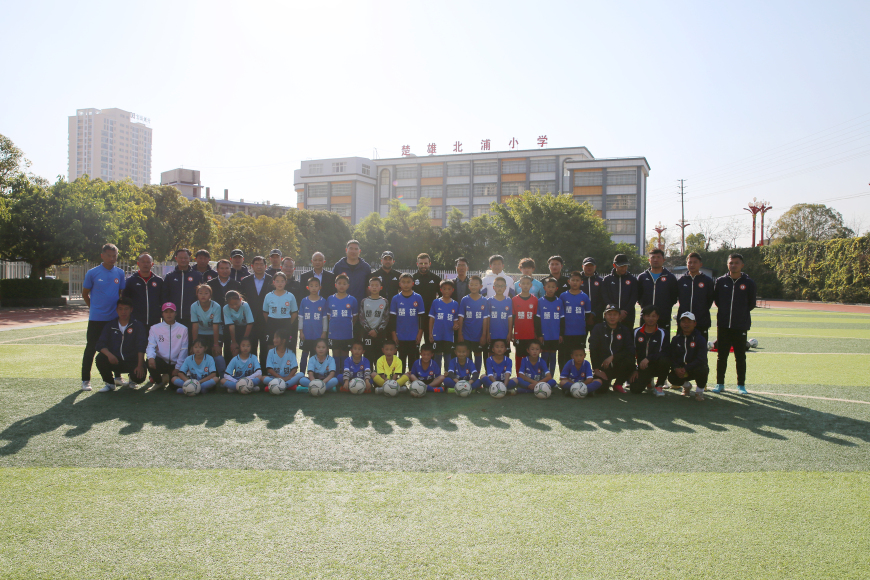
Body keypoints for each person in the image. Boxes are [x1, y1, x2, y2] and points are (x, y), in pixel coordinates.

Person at [81, 243, 126, 391]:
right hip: (96, 319)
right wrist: (93, 308)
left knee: (115, 347)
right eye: (109, 255)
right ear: (102, 256)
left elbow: (120, 294)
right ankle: (85, 380)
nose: (112, 258)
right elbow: (85, 293)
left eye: (114, 256)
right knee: (91, 348)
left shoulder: (119, 273)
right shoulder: (93, 273)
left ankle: (117, 377)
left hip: (113, 319)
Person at [712, 253, 756, 394]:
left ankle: (741, 385)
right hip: (723, 325)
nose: (733, 265)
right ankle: (720, 384)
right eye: (731, 263)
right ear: (727, 264)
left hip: (740, 325)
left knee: (740, 357)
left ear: (742, 265)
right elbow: (717, 301)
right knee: (721, 356)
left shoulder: (748, 282)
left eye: (736, 263)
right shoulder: (721, 281)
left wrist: (740, 315)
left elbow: (751, 303)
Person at [93, 297, 148, 392]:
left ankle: (132, 379)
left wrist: (140, 365)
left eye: (126, 309)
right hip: (115, 360)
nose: (123, 312)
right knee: (100, 358)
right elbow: (100, 344)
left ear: (131, 309)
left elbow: (141, 346)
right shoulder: (110, 325)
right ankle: (110, 383)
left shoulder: (137, 325)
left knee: (139, 378)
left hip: (132, 361)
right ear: (116, 310)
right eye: (120, 309)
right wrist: (109, 355)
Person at [588, 304, 635, 394]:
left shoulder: (624, 330)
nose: (612, 317)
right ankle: (606, 381)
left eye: (615, 314)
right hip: (604, 367)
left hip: (619, 365)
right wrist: (596, 370)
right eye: (609, 314)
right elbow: (593, 349)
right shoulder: (598, 328)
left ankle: (618, 384)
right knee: (601, 389)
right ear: (605, 315)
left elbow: (630, 350)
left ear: (619, 316)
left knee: (630, 361)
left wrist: (613, 357)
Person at [144, 302, 188, 391]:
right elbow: (151, 345)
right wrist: (151, 357)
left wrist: (177, 367)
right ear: (162, 314)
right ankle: (159, 382)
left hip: (175, 363)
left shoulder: (183, 329)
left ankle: (168, 377)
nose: (169, 314)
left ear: (175, 313)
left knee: (174, 388)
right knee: (149, 360)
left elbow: (184, 349)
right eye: (166, 312)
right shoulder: (154, 328)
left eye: (171, 311)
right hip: (162, 361)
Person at [637, 248, 679, 339]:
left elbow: (673, 298)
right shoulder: (642, 277)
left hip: (663, 317)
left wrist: (663, 309)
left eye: (658, 257)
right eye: (653, 257)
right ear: (649, 260)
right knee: (644, 343)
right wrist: (647, 310)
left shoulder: (670, 278)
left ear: (663, 260)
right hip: (646, 318)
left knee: (663, 342)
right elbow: (639, 297)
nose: (655, 260)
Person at [628, 305, 671, 396]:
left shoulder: (663, 333)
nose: (650, 319)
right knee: (635, 389)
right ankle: (648, 380)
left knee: (665, 360)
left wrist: (649, 358)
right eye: (648, 316)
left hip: (657, 365)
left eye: (653, 316)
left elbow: (666, 352)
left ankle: (659, 385)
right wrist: (634, 369)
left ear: (658, 317)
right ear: (643, 317)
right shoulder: (635, 332)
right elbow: (630, 352)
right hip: (642, 367)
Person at [668, 312, 709, 401]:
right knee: (672, 377)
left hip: (695, 369)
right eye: (683, 322)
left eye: (689, 322)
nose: (686, 324)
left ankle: (699, 392)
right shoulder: (676, 339)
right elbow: (672, 356)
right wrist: (676, 368)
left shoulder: (700, 339)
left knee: (703, 369)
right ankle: (686, 386)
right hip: (681, 369)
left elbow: (701, 358)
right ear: (680, 323)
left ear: (694, 323)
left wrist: (686, 368)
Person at [239, 256, 273, 360]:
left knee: (265, 348)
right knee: (251, 347)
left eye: (261, 264)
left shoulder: (272, 280)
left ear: (265, 266)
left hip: (266, 319)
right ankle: (252, 368)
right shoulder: (245, 281)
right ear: (252, 266)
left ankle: (264, 368)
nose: (259, 267)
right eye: (256, 264)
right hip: (250, 320)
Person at [677, 252, 716, 341]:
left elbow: (709, 300)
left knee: (701, 347)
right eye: (690, 262)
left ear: (700, 264)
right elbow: (675, 297)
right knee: (682, 347)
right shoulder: (681, 281)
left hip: (701, 321)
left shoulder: (707, 281)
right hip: (684, 322)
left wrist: (701, 312)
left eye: (695, 262)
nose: (692, 265)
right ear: (686, 264)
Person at [162, 248, 202, 330]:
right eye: (180, 258)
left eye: (185, 258)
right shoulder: (170, 276)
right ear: (176, 258)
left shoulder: (197, 276)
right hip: (173, 317)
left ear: (189, 258)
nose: (183, 260)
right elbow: (164, 296)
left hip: (192, 317)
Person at [189, 284, 225, 375]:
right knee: (198, 353)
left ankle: (221, 376)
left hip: (214, 332)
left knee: (216, 354)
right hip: (201, 332)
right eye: (200, 293)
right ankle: (199, 375)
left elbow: (215, 326)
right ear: (197, 294)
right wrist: (194, 344)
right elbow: (195, 326)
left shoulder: (216, 306)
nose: (203, 295)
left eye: (206, 293)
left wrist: (216, 344)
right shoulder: (194, 306)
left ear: (210, 295)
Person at [559, 271, 592, 371]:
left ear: (581, 282)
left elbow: (588, 314)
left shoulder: (584, 296)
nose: (575, 282)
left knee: (578, 355)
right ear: (568, 281)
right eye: (573, 280)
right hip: (566, 332)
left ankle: (578, 375)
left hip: (580, 332)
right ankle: (564, 376)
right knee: (565, 355)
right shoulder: (563, 296)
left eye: (577, 280)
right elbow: (560, 315)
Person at [123, 252, 164, 330]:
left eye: (148, 262)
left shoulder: (159, 281)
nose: (146, 264)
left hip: (154, 322)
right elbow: (126, 300)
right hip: (136, 321)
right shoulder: (131, 281)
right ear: (138, 263)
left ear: (152, 264)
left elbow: (162, 299)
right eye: (143, 262)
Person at [458, 275, 489, 371]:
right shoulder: (465, 299)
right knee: (467, 353)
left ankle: (476, 375)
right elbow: (461, 317)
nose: (474, 287)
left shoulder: (484, 300)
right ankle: (468, 374)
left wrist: (484, 335)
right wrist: (460, 333)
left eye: (476, 284)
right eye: (471, 284)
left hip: (479, 334)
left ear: (481, 286)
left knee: (478, 353)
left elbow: (485, 319)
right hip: (466, 334)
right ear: (468, 286)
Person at [262, 271, 298, 352]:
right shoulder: (268, 296)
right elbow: (265, 312)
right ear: (273, 282)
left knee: (284, 345)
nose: (280, 283)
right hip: (272, 323)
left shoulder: (290, 296)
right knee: (271, 345)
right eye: (277, 281)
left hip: (285, 323)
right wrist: (270, 321)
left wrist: (288, 323)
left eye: (282, 281)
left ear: (285, 282)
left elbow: (294, 313)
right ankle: (272, 360)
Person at [298, 277, 328, 374]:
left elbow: (324, 318)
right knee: (304, 354)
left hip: (318, 334)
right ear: (308, 287)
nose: (314, 288)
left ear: (320, 287)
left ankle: (314, 374)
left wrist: (324, 332)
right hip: (306, 334)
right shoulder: (304, 301)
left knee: (316, 355)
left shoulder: (323, 301)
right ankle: (302, 374)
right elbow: (301, 317)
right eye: (311, 286)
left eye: (316, 286)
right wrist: (301, 331)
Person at [326, 273, 358, 362]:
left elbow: (355, 317)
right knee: (335, 354)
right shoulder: (330, 299)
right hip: (334, 333)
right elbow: (328, 316)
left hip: (347, 333)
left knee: (345, 354)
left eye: (344, 284)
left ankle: (344, 371)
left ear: (348, 286)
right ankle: (336, 371)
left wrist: (348, 325)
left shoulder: (352, 299)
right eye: (339, 283)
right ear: (335, 285)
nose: (341, 286)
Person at [602, 253, 639, 329]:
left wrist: (625, 311)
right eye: (621, 266)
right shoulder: (607, 279)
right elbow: (604, 296)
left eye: (625, 266)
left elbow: (634, 296)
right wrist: (614, 311)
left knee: (627, 334)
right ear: (614, 265)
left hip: (627, 315)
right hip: (611, 314)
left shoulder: (632, 279)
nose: (624, 268)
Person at [535, 277, 563, 375]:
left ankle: (551, 376)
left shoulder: (559, 301)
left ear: (556, 288)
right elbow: (537, 320)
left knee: (553, 356)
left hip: (555, 335)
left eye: (553, 287)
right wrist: (539, 334)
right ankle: (543, 376)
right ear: (544, 288)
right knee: (544, 355)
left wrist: (561, 334)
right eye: (548, 286)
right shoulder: (540, 301)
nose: (551, 289)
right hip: (544, 335)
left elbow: (562, 319)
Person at [428, 279, 459, 366]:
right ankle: (437, 373)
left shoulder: (455, 304)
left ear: (452, 290)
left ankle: (447, 373)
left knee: (448, 356)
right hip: (437, 335)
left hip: (448, 335)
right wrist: (430, 333)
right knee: (437, 355)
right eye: (444, 289)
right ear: (441, 290)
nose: (447, 291)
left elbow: (456, 320)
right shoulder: (436, 302)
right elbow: (431, 319)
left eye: (449, 289)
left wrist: (455, 325)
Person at [359, 277, 390, 365]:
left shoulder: (384, 301)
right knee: (368, 355)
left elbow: (385, 318)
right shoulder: (364, 301)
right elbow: (362, 318)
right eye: (372, 285)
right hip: (367, 334)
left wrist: (376, 330)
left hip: (380, 334)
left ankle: (379, 373)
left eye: (377, 285)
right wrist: (369, 330)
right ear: (369, 288)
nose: (374, 287)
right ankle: (368, 373)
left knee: (379, 356)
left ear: (381, 287)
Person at [512, 275, 539, 373]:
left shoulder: (535, 300)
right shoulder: (514, 300)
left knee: (531, 357)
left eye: (528, 283)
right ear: (519, 285)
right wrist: (511, 332)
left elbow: (536, 318)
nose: (525, 285)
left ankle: (530, 375)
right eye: (523, 283)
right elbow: (513, 318)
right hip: (519, 334)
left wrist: (537, 333)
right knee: (519, 356)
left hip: (531, 334)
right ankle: (519, 376)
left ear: (531, 285)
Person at [412, 253, 442, 342]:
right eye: (421, 263)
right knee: (414, 343)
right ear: (417, 264)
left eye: (425, 263)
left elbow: (442, 297)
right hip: (415, 316)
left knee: (430, 343)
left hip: (430, 316)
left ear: (430, 264)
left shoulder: (436, 279)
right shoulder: (412, 278)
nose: (423, 266)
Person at [280, 256, 306, 352]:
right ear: (281, 267)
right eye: (286, 266)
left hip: (292, 322)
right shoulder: (273, 284)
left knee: (291, 348)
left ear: (294, 268)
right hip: (277, 320)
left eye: (291, 266)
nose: (288, 269)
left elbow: (300, 304)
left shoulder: (298, 285)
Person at [222, 290, 254, 361]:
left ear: (240, 299)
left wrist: (244, 340)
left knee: (245, 347)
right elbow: (231, 326)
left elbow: (250, 323)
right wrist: (233, 342)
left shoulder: (245, 305)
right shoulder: (225, 308)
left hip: (245, 329)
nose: (234, 306)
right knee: (232, 349)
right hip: (234, 329)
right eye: (231, 305)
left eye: (236, 304)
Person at [487, 277, 513, 351]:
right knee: (492, 353)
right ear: (493, 287)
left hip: (505, 334)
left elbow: (510, 318)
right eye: (497, 286)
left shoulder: (509, 301)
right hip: (492, 334)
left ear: (505, 288)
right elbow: (487, 318)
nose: (500, 288)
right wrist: (487, 333)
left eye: (502, 286)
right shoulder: (489, 301)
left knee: (505, 353)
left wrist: (510, 332)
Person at [579, 257, 605, 330]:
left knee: (596, 337)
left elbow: (603, 300)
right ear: (582, 266)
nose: (589, 267)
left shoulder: (601, 281)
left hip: (597, 316)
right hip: (580, 316)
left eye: (591, 265)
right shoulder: (577, 280)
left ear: (595, 267)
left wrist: (593, 313)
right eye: (587, 265)